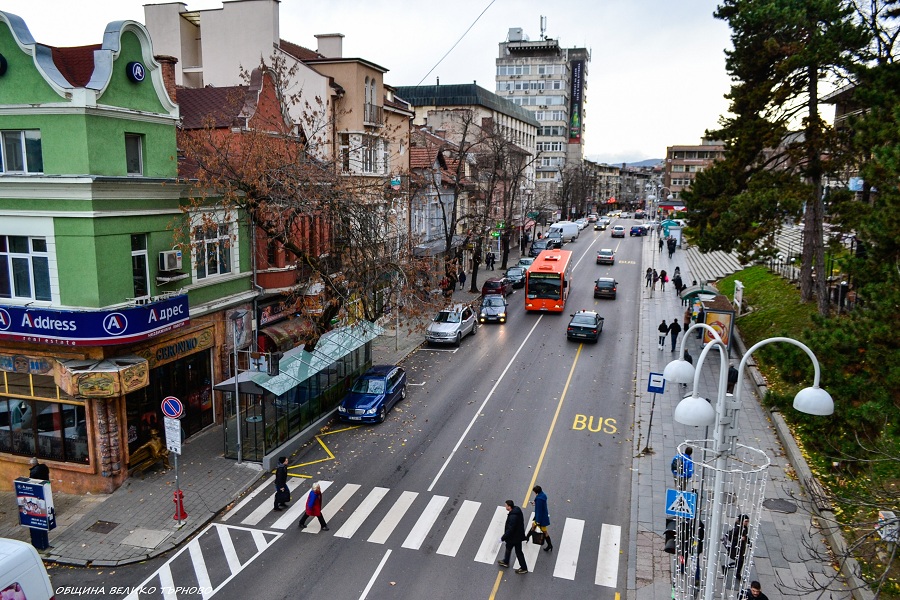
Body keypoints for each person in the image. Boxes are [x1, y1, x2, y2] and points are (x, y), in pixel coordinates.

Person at [498, 499, 528, 574]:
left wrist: (503, 538)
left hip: (514, 537)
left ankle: (524, 568)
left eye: (506, 505)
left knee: (518, 552)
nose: (505, 506)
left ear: (509, 507)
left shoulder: (513, 517)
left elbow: (510, 529)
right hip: (517, 536)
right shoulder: (517, 510)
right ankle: (506, 561)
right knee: (509, 548)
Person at [526, 485, 553, 552]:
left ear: (536, 492)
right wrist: (535, 503)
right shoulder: (543, 495)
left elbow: (539, 510)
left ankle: (550, 545)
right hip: (542, 517)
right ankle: (527, 537)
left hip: (541, 519)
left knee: (544, 531)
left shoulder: (539, 499)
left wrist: (538, 521)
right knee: (533, 526)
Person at [722, 514, 750, 578]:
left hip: (741, 548)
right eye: (746, 521)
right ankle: (733, 571)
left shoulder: (745, 528)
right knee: (740, 561)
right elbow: (730, 536)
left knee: (740, 561)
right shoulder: (737, 528)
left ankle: (728, 568)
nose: (747, 523)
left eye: (748, 521)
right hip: (736, 548)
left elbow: (745, 536)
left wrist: (748, 542)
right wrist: (740, 538)